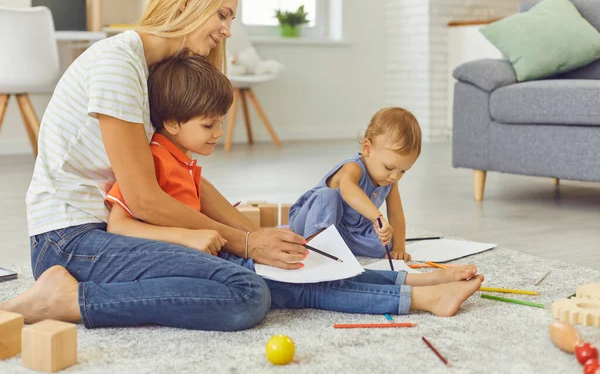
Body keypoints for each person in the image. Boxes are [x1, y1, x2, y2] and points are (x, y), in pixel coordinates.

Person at [0, 0, 305, 331]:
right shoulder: (118, 64)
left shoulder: (156, 71)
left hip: (116, 232)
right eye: (222, 15)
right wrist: (247, 242)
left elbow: (187, 177)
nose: (228, 30)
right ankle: (65, 299)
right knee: (245, 292)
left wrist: (255, 235)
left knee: (240, 267)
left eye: (231, 18)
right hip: (68, 241)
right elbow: (143, 199)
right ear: (186, 4)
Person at [104, 52, 485, 320]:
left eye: (220, 122)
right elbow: (119, 226)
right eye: (209, 125)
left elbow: (216, 216)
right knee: (307, 289)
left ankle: (420, 280)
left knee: (316, 267)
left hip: (223, 256)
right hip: (203, 265)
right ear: (171, 122)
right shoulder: (150, 161)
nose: (219, 134)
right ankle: (419, 298)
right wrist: (189, 239)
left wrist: (257, 236)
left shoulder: (183, 163)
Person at [289, 108, 421, 261]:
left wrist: (399, 248)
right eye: (389, 168)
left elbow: (396, 215)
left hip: (346, 229)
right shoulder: (353, 168)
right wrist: (378, 218)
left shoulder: (390, 181)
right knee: (327, 195)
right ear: (367, 149)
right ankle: (316, 247)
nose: (395, 176)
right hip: (312, 218)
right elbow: (348, 190)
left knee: (382, 245)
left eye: (403, 171)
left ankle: (335, 244)